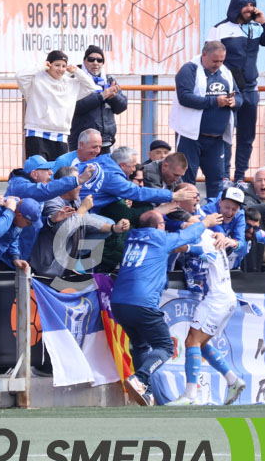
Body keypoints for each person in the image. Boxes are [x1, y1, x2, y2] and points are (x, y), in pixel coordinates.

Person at [111, 210, 220, 406]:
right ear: (158, 226)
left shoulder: (132, 237)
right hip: (142, 303)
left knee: (140, 345)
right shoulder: (160, 238)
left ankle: (146, 391)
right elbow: (189, 235)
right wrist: (207, 222)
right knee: (165, 346)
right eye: (163, 222)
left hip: (119, 303)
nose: (165, 225)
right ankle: (140, 377)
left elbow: (179, 244)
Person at [169, 217, 249, 406]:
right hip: (226, 297)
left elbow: (189, 248)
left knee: (192, 341)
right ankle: (232, 380)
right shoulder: (211, 236)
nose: (186, 229)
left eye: (188, 225)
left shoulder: (202, 237)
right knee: (202, 344)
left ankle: (190, 395)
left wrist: (168, 245)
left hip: (217, 299)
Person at [206, 0, 265, 184]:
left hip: (250, 90)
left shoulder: (256, 28)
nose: (250, 8)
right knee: (225, 134)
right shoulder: (220, 29)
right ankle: (224, 175)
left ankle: (239, 176)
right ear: (236, 7)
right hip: (228, 90)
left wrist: (264, 23)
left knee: (247, 136)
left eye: (252, 4)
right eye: (245, 5)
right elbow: (207, 57)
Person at [171, 40, 240, 196]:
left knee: (217, 181)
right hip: (191, 136)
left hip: (216, 139)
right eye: (215, 60)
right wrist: (214, 101)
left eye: (222, 61)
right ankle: (187, 216)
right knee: (186, 179)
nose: (218, 64)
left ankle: (215, 216)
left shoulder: (225, 72)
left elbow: (239, 95)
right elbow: (185, 97)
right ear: (204, 54)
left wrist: (235, 102)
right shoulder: (189, 69)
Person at [17, 50, 100, 160]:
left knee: (59, 173)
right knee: (38, 171)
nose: (60, 69)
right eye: (57, 65)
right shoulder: (36, 80)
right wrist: (41, 66)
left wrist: (77, 71)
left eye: (63, 66)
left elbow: (91, 86)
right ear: (49, 65)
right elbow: (20, 76)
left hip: (61, 134)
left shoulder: (71, 83)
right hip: (36, 131)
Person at [77, 146, 197, 212]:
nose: (135, 169)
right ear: (122, 165)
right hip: (80, 211)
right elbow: (138, 192)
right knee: (110, 225)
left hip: (80, 207)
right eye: (133, 165)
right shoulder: (112, 177)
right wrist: (171, 196)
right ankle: (90, 258)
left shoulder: (106, 158)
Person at [68, 45, 127, 153]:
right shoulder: (75, 79)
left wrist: (112, 97)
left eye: (99, 60)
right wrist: (101, 96)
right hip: (82, 142)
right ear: (84, 61)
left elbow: (122, 107)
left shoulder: (108, 80)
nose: (95, 63)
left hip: (104, 141)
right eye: (91, 59)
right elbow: (74, 107)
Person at [7, 155, 93, 202]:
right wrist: (78, 179)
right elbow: (45, 190)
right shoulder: (20, 187)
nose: (51, 173)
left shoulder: (26, 184)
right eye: (46, 170)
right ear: (34, 174)